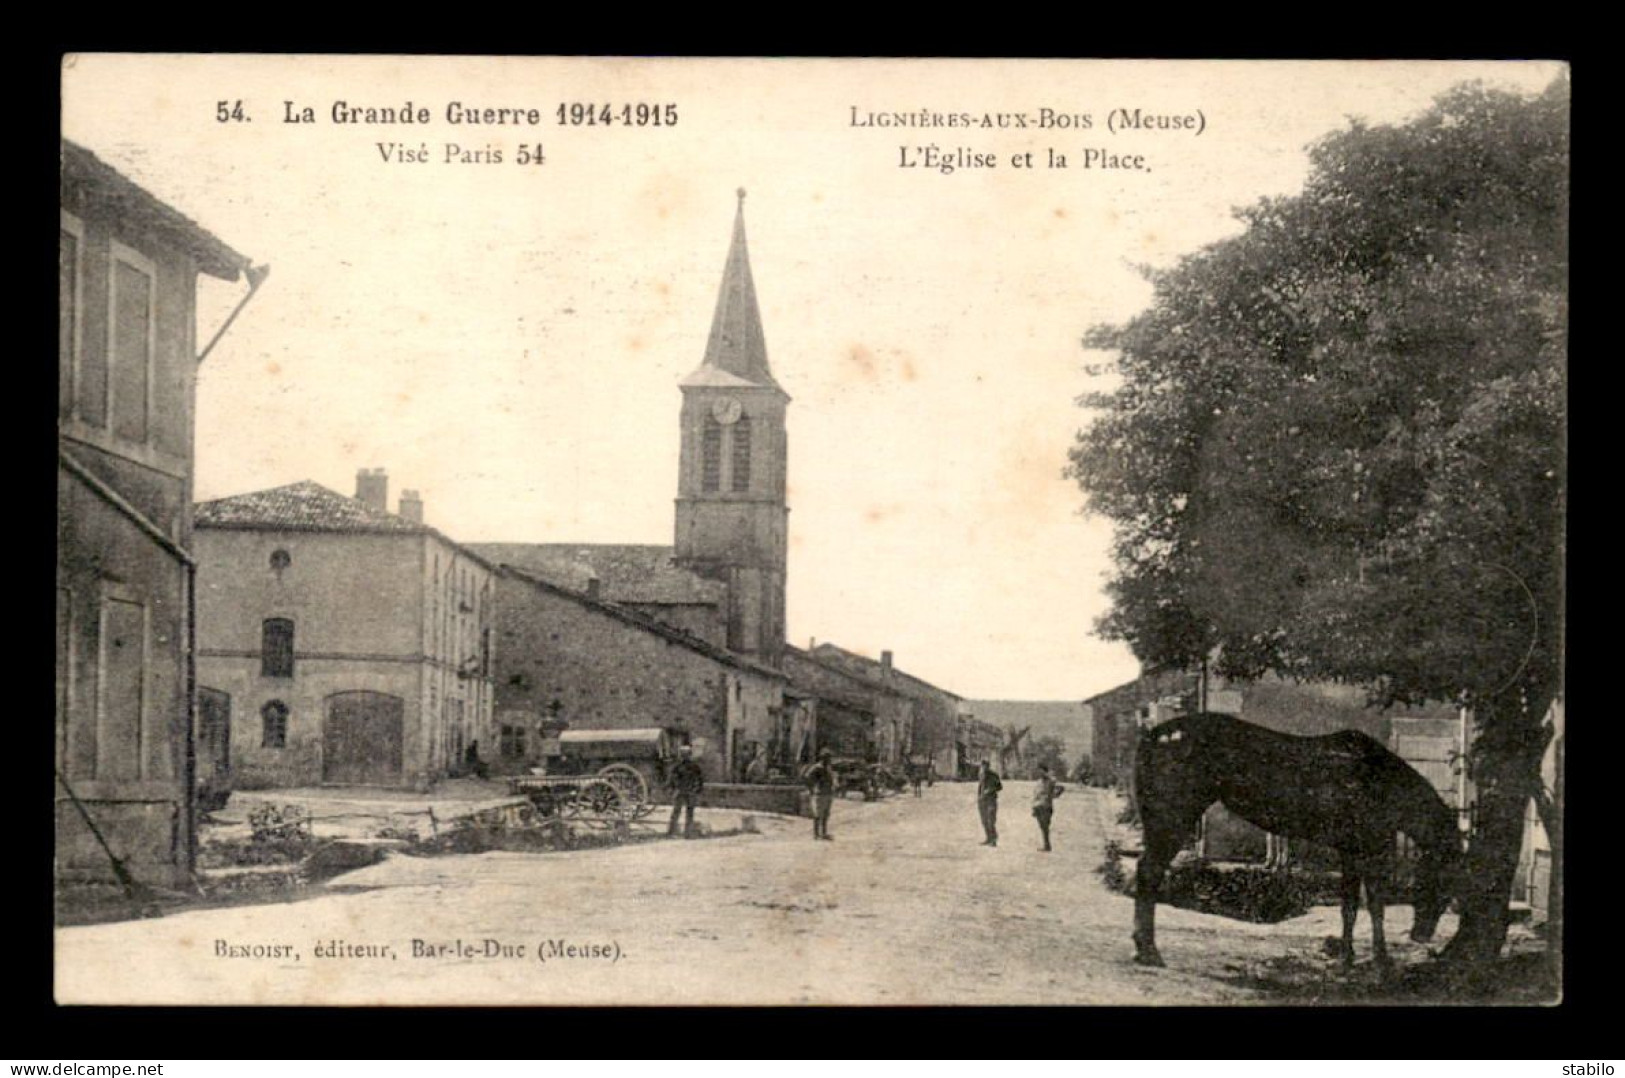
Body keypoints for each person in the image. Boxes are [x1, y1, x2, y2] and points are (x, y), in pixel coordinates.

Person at [667, 744, 705, 838]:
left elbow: (699, 779)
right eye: (683, 754)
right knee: (678, 811)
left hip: (689, 791)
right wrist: (673, 788)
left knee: (688, 812)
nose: (685, 756)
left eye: (686, 754)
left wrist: (698, 789)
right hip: (681, 791)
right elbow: (672, 779)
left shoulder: (693, 766)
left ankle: (687, 832)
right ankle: (672, 832)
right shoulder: (678, 766)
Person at [1032, 761, 1066, 852]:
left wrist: (1054, 795)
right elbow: (1035, 795)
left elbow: (1061, 788)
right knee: (1042, 826)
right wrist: (1033, 808)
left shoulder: (1051, 781)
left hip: (1046, 806)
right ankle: (1046, 845)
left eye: (1041, 771)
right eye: (1038, 771)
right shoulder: (1038, 782)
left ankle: (1047, 845)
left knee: (1045, 826)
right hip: (1038, 806)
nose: (1039, 772)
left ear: (1045, 771)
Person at [805, 748, 837, 841]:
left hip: (828, 793)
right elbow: (807, 777)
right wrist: (811, 789)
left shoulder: (828, 768)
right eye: (827, 758)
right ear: (823, 758)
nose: (829, 760)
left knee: (826, 815)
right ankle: (816, 834)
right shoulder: (817, 768)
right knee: (818, 815)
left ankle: (823, 833)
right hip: (820, 793)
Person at [976, 760, 1003, 847]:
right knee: (984, 821)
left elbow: (1000, 787)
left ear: (988, 766)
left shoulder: (994, 775)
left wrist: (991, 790)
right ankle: (988, 838)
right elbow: (980, 787)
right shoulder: (981, 775)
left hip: (991, 800)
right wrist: (979, 797)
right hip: (982, 801)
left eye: (985, 766)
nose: (983, 768)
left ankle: (993, 840)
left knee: (991, 820)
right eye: (982, 766)